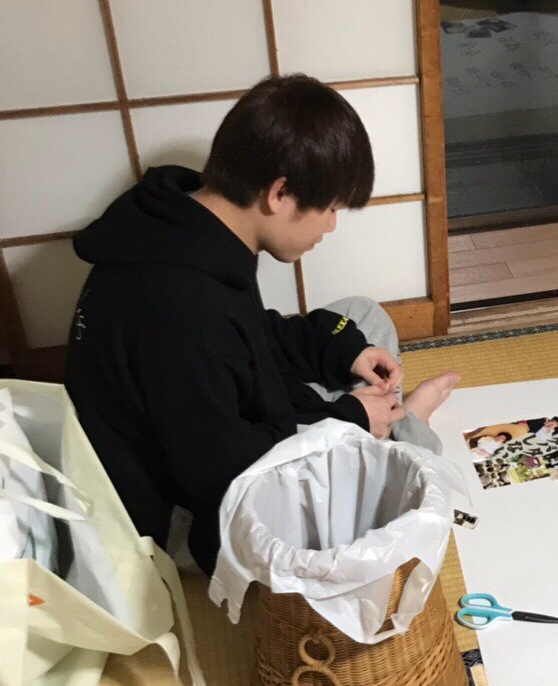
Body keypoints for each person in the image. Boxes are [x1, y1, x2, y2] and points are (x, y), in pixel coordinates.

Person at [65, 75, 459, 576]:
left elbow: (249, 337)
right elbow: (221, 471)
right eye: (329, 208)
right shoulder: (180, 309)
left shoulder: (188, 227)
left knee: (361, 317)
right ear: (280, 193)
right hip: (192, 511)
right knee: (393, 504)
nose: (331, 225)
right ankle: (405, 428)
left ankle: (385, 421)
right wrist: (347, 420)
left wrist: (344, 353)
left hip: (217, 420)